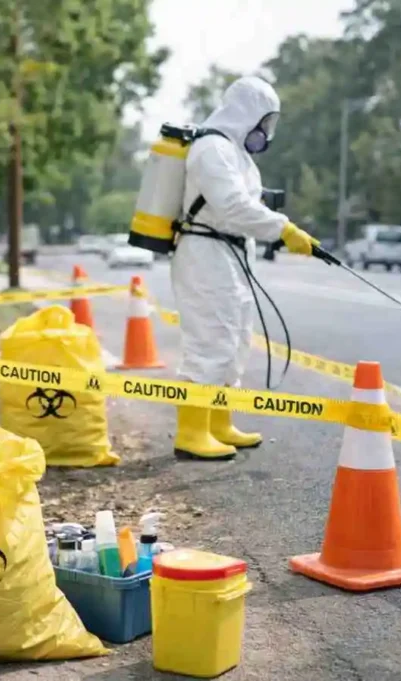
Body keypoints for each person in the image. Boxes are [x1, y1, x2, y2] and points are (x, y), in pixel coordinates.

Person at [171, 76, 318, 460]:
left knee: (234, 340)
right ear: (246, 113)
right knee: (210, 339)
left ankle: (219, 424)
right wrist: (282, 228)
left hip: (230, 254)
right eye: (264, 122)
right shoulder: (212, 148)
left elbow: (245, 206)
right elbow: (233, 206)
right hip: (205, 254)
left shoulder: (236, 154)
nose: (266, 133)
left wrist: (276, 229)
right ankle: (191, 432)